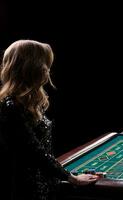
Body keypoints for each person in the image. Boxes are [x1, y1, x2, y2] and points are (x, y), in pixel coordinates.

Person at [0, 40, 100, 200]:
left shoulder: (29, 102)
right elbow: (34, 151)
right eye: (44, 64)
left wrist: (64, 175)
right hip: (26, 190)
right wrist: (71, 178)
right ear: (31, 67)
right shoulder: (11, 106)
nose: (47, 70)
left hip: (43, 183)